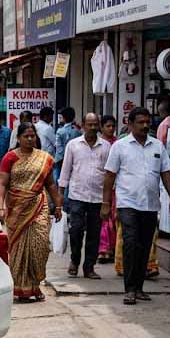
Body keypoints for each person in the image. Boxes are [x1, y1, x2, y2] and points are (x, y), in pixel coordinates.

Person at [102, 108, 170, 305]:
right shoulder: (120, 146)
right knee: (131, 243)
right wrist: (105, 203)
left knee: (144, 246)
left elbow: (166, 173)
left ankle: (139, 287)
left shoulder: (157, 146)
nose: (145, 125)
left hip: (151, 205)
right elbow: (109, 176)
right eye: (141, 122)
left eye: (147, 122)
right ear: (130, 124)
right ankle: (129, 289)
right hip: (128, 204)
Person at [0, 122, 65, 301]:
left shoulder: (44, 158)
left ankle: (35, 284)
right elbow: (2, 184)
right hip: (16, 209)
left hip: (38, 205)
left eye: (32, 136)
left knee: (41, 246)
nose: (29, 139)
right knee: (18, 249)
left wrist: (58, 204)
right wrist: (1, 206)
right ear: (18, 138)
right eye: (25, 136)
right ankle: (22, 288)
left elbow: (50, 184)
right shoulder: (9, 158)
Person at [58, 113, 108, 279]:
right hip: (77, 195)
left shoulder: (106, 146)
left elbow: (110, 174)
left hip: (98, 197)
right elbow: (65, 170)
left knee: (94, 233)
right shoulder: (73, 145)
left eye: (95, 124)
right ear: (83, 125)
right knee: (76, 229)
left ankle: (89, 267)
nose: (93, 128)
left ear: (98, 125)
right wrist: (60, 195)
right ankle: (74, 260)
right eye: (89, 124)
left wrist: (108, 199)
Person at [97, 115, 120, 263]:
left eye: (113, 126)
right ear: (102, 127)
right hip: (102, 186)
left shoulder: (119, 143)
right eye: (108, 126)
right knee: (104, 218)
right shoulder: (99, 144)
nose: (111, 129)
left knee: (115, 217)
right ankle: (104, 249)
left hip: (117, 186)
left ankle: (114, 249)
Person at [54, 107, 80, 180]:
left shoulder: (60, 131)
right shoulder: (78, 131)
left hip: (61, 159)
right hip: (75, 158)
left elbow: (58, 148)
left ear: (64, 118)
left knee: (60, 179)